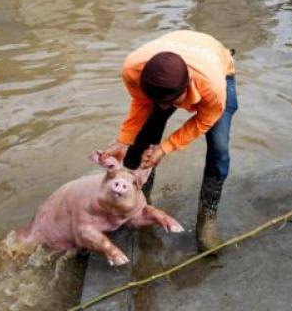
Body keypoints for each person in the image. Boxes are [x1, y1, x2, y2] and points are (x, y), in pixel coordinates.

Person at [100, 30, 237, 251]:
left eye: (171, 102)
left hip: (215, 65)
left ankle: (207, 219)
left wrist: (165, 148)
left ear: (186, 89)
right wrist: (123, 141)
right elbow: (141, 102)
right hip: (173, 57)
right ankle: (138, 206)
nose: (165, 107)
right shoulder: (132, 70)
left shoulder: (213, 87)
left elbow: (203, 121)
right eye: (159, 101)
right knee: (141, 140)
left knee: (219, 148)